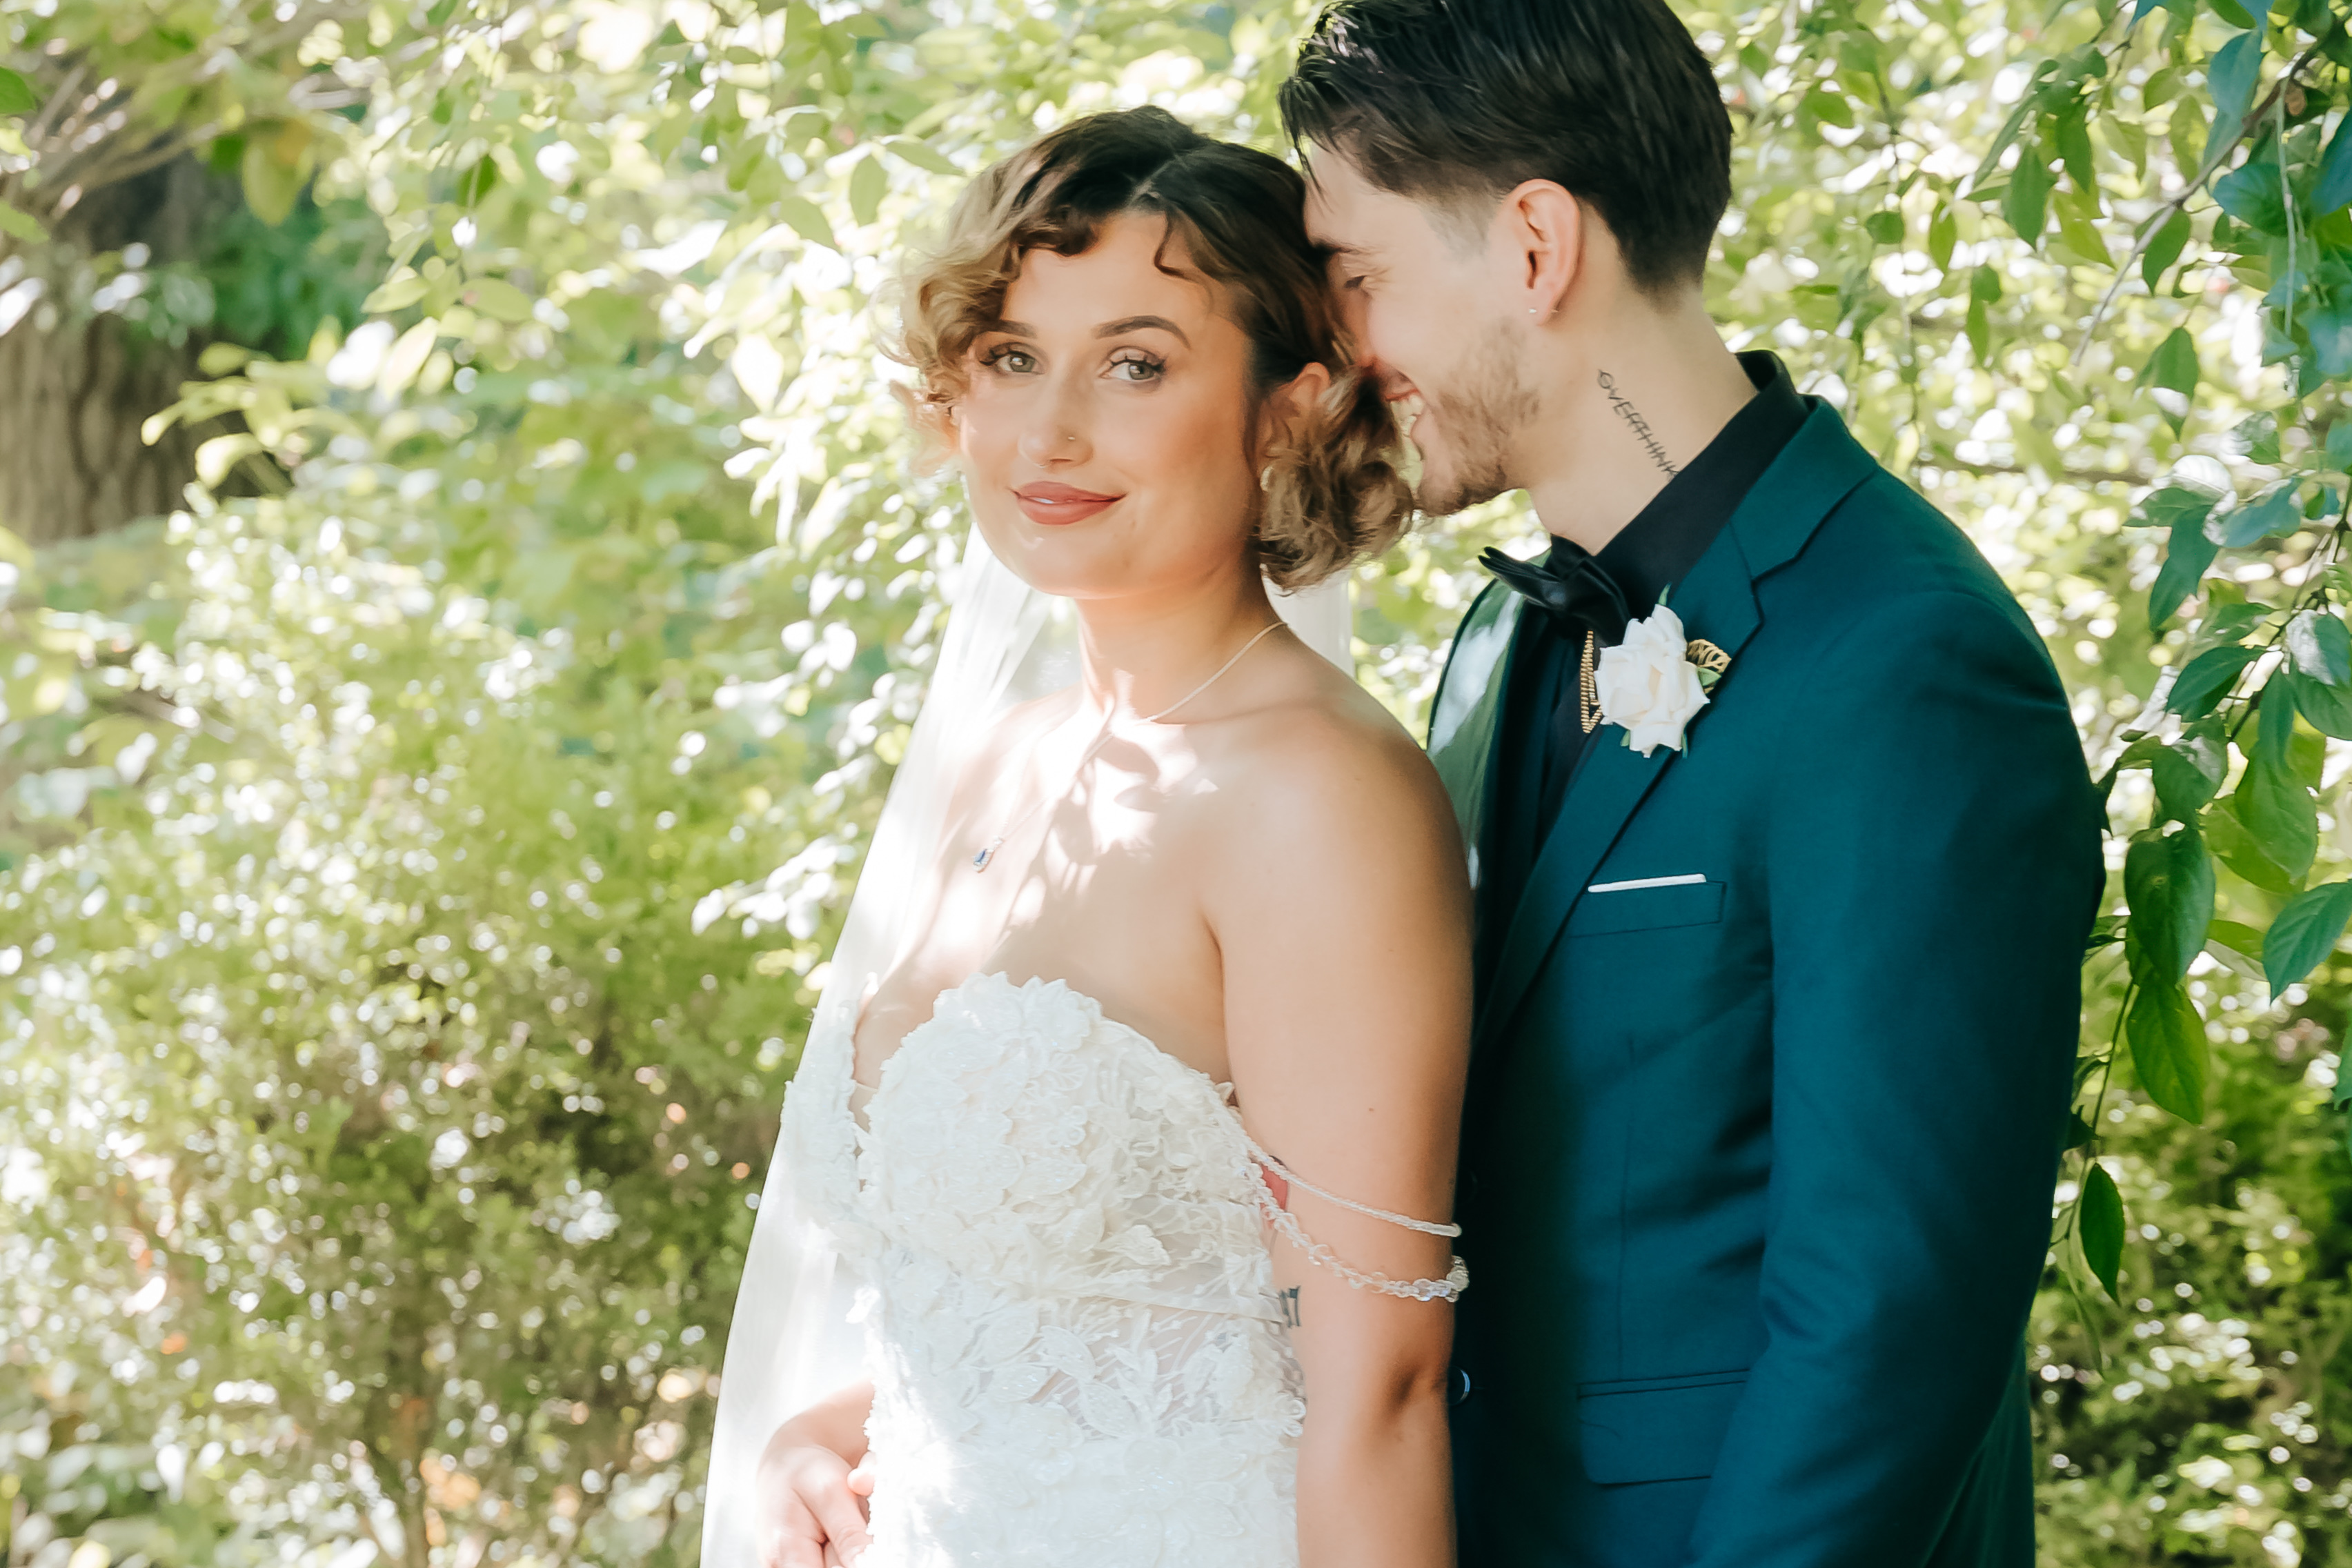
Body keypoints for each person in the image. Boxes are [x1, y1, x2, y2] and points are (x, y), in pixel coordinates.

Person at [1278, 2, 2104, 1565]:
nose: (1338, 347)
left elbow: (1887, 1317)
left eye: (1359, 276)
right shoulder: (1495, 644)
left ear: (1535, 248)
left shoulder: (1905, 662)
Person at [700, 107, 1474, 1568]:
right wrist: (834, 1433)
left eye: (1134, 365)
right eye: (1011, 358)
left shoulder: (1313, 797)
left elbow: (1377, 1392)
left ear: (1289, 409)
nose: (1049, 432)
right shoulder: (1002, 764)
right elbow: (1068, 1328)